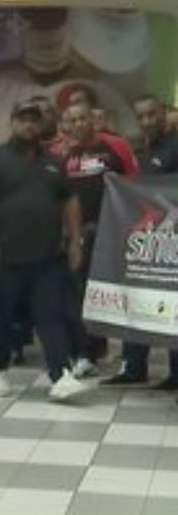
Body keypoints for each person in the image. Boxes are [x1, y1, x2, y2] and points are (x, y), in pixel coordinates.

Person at [0, 100, 92, 403]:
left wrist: (75, 241)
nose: (29, 125)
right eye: (23, 119)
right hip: (5, 256)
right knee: (1, 316)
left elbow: (69, 199)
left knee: (52, 315)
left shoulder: (54, 161)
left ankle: (60, 375)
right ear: (12, 122)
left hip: (47, 257)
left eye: (34, 120)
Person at [104, 94, 178, 389]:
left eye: (153, 114)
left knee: (172, 304)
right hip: (142, 237)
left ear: (164, 114)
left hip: (170, 240)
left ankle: (176, 374)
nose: (148, 121)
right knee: (137, 298)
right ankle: (133, 366)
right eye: (142, 116)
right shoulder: (139, 149)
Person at [60, 101, 139, 376]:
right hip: (80, 234)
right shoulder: (64, 153)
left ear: (95, 120)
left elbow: (135, 184)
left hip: (115, 231)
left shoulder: (116, 146)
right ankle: (88, 352)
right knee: (82, 294)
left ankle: (132, 359)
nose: (79, 124)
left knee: (120, 293)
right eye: (73, 120)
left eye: (83, 118)